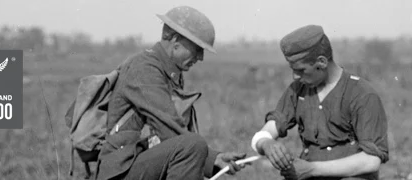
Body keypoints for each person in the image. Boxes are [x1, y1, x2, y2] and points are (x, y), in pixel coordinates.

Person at [94, 6, 249, 180]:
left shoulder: (167, 71)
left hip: (138, 162)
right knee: (192, 145)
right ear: (175, 41)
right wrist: (211, 157)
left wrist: (215, 158)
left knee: (192, 147)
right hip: (121, 170)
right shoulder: (145, 69)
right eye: (197, 48)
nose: (201, 57)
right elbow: (169, 129)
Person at [249, 25, 390, 180]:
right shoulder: (298, 91)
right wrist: (266, 144)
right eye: (293, 70)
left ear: (321, 63)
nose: (295, 77)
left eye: (301, 70)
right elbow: (264, 133)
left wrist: (312, 169)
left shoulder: (361, 94)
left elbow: (371, 161)